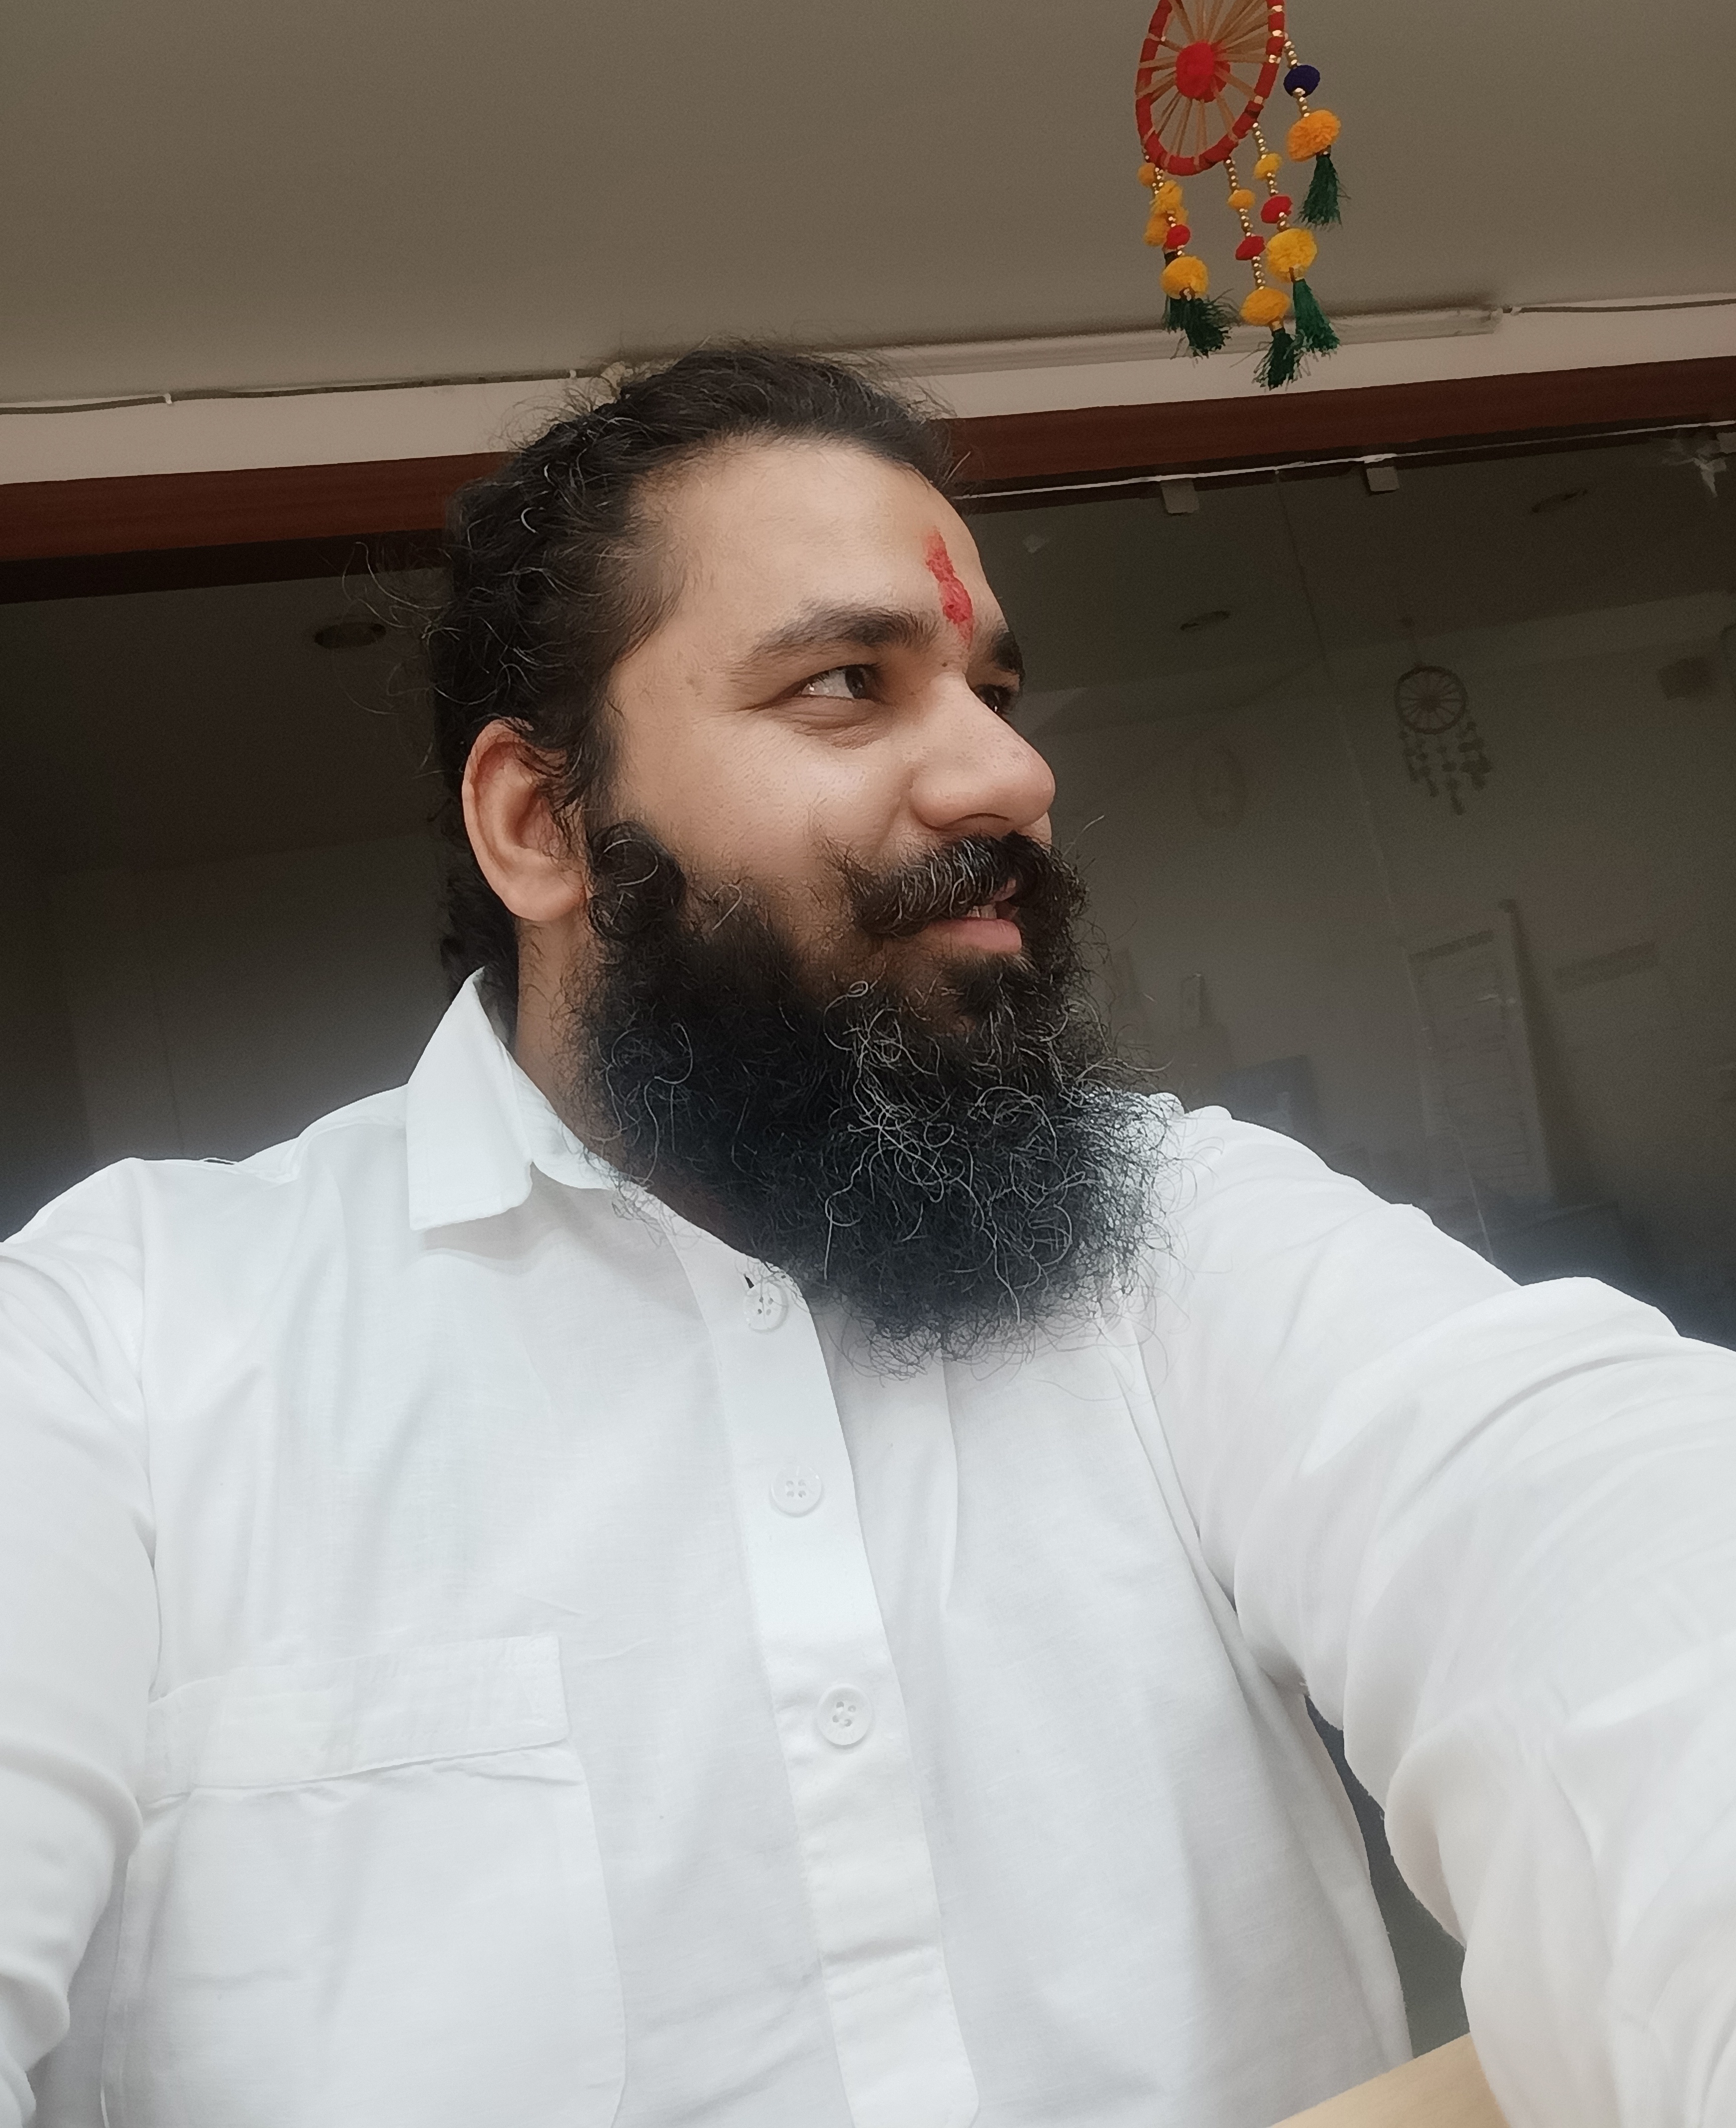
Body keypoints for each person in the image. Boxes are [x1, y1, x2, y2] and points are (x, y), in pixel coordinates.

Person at [1, 348, 1732, 2128]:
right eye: (846, 685)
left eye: (995, 689)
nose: (1010, 772)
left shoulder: (1173, 1235)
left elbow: (1602, 1533)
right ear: (541, 824)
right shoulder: (124, 1344)